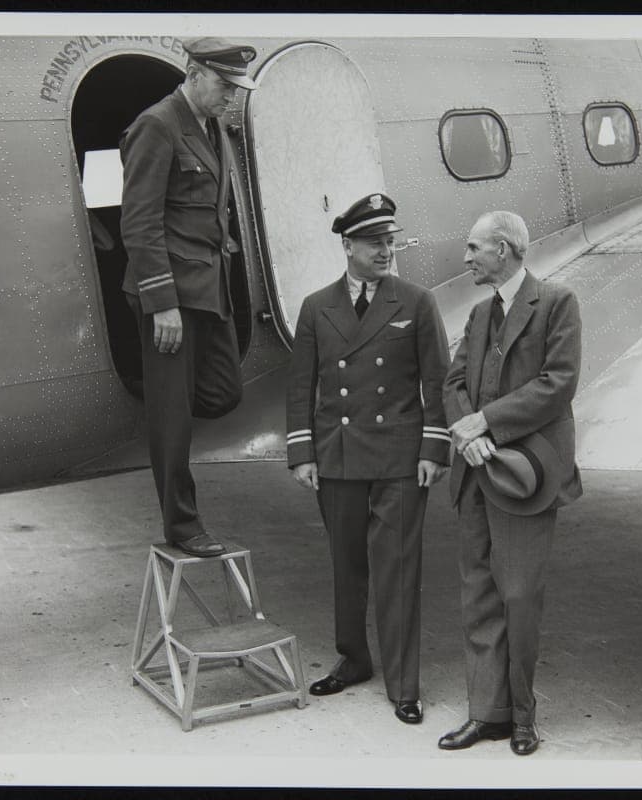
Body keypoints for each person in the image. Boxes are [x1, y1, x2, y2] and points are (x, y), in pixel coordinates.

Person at [286, 193, 451, 724]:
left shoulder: (417, 302)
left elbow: (437, 381)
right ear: (348, 245)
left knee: (397, 571)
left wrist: (433, 448)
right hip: (337, 457)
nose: (386, 250)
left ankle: (404, 684)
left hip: (400, 459)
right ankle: (353, 659)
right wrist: (301, 453)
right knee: (347, 567)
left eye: (391, 240)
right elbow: (300, 386)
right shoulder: (316, 306)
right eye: (375, 242)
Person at [439, 211, 583, 756]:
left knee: (519, 597)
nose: (468, 257)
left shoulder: (557, 302)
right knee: (478, 596)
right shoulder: (478, 315)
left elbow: (559, 383)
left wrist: (488, 421)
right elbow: (454, 382)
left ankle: (523, 717)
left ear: (504, 249)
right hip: (475, 471)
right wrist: (467, 434)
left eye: (475, 248)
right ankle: (488, 715)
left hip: (526, 477)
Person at [119, 37, 257, 558]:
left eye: (235, 88)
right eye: (224, 84)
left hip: (208, 287)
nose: (230, 96)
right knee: (173, 419)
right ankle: (183, 525)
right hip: (172, 295)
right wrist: (162, 303)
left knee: (224, 393)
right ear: (194, 72)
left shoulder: (213, 125)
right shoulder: (157, 125)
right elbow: (139, 222)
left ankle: (156, 394)